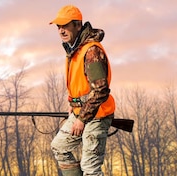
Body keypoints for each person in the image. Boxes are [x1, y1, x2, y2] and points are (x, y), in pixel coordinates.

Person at [49, 5, 115, 176]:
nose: (61, 30)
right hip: (82, 112)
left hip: (97, 114)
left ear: (78, 25)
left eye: (65, 25)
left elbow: (100, 90)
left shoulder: (91, 50)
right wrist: (73, 101)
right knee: (59, 147)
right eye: (58, 26)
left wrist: (82, 119)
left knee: (90, 169)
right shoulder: (74, 49)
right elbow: (82, 84)